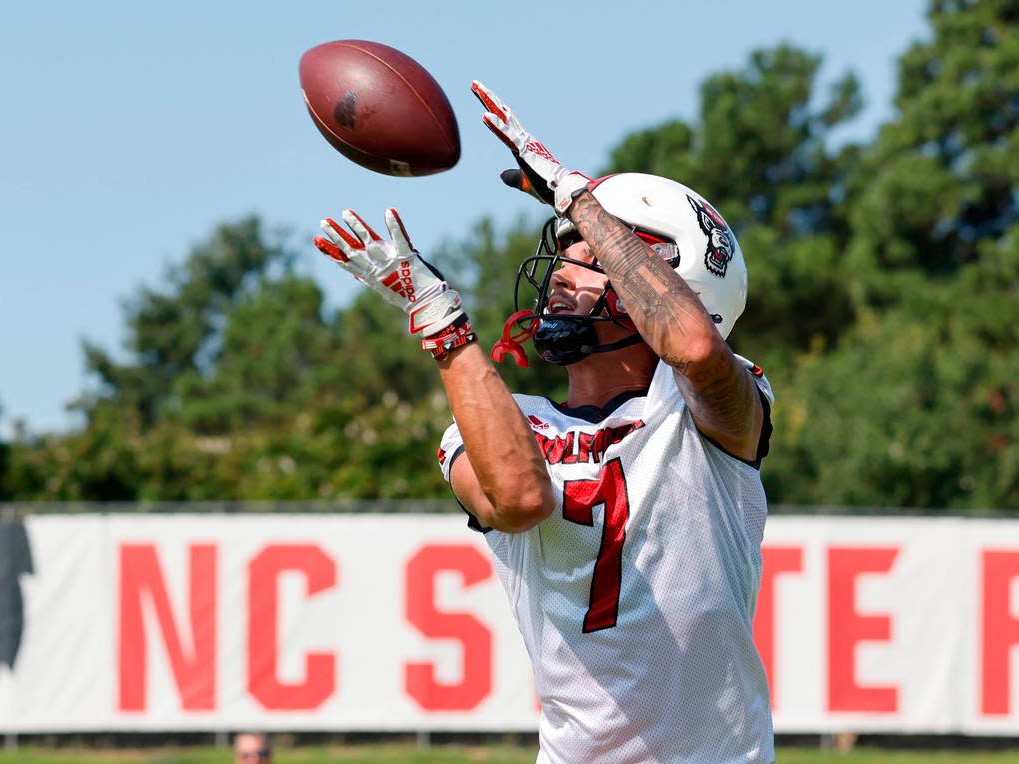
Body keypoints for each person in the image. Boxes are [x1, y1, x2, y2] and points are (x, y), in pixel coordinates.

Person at [314, 82, 774, 763]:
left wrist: (579, 198)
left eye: (591, 258)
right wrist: (438, 316)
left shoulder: (707, 406)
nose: (562, 272)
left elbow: (695, 344)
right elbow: (522, 498)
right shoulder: (502, 422)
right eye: (568, 251)